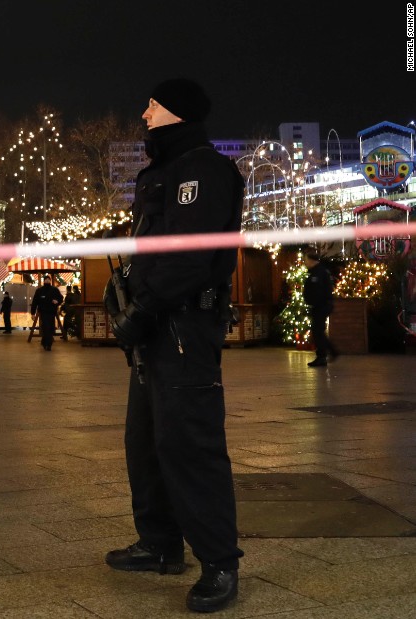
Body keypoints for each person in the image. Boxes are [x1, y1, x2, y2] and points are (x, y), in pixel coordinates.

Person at [103, 78, 244, 613]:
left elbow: (189, 259)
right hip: (157, 331)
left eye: (153, 105)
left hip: (184, 327)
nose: (144, 112)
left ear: (177, 113)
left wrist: (141, 311)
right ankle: (160, 544)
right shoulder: (161, 170)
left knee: (191, 445)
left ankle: (219, 563)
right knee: (145, 443)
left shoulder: (203, 169)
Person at [303, 251, 338, 367]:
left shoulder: (319, 272)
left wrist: (315, 302)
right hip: (320, 306)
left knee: (318, 331)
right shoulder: (316, 272)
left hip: (321, 306)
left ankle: (327, 353)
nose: (305, 262)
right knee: (318, 331)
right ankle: (324, 355)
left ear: (312, 260)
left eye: (306, 259)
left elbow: (319, 291)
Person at [31, 277, 63, 350]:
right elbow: (35, 302)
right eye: (46, 279)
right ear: (44, 281)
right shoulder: (39, 290)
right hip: (43, 312)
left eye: (49, 280)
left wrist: (57, 301)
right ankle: (47, 343)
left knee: (51, 328)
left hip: (52, 312)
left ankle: (46, 343)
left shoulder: (54, 290)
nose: (47, 280)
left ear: (50, 281)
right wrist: (33, 313)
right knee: (46, 327)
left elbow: (61, 298)